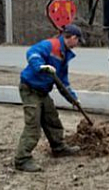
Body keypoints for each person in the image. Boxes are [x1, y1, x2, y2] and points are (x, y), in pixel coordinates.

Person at [14, 24, 84, 172]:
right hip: (30, 89)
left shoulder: (65, 55)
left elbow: (63, 82)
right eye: (78, 40)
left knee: (52, 120)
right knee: (33, 125)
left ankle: (58, 148)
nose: (77, 45)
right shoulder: (50, 45)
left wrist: (73, 99)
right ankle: (22, 159)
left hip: (42, 92)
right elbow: (32, 53)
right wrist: (40, 66)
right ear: (72, 37)